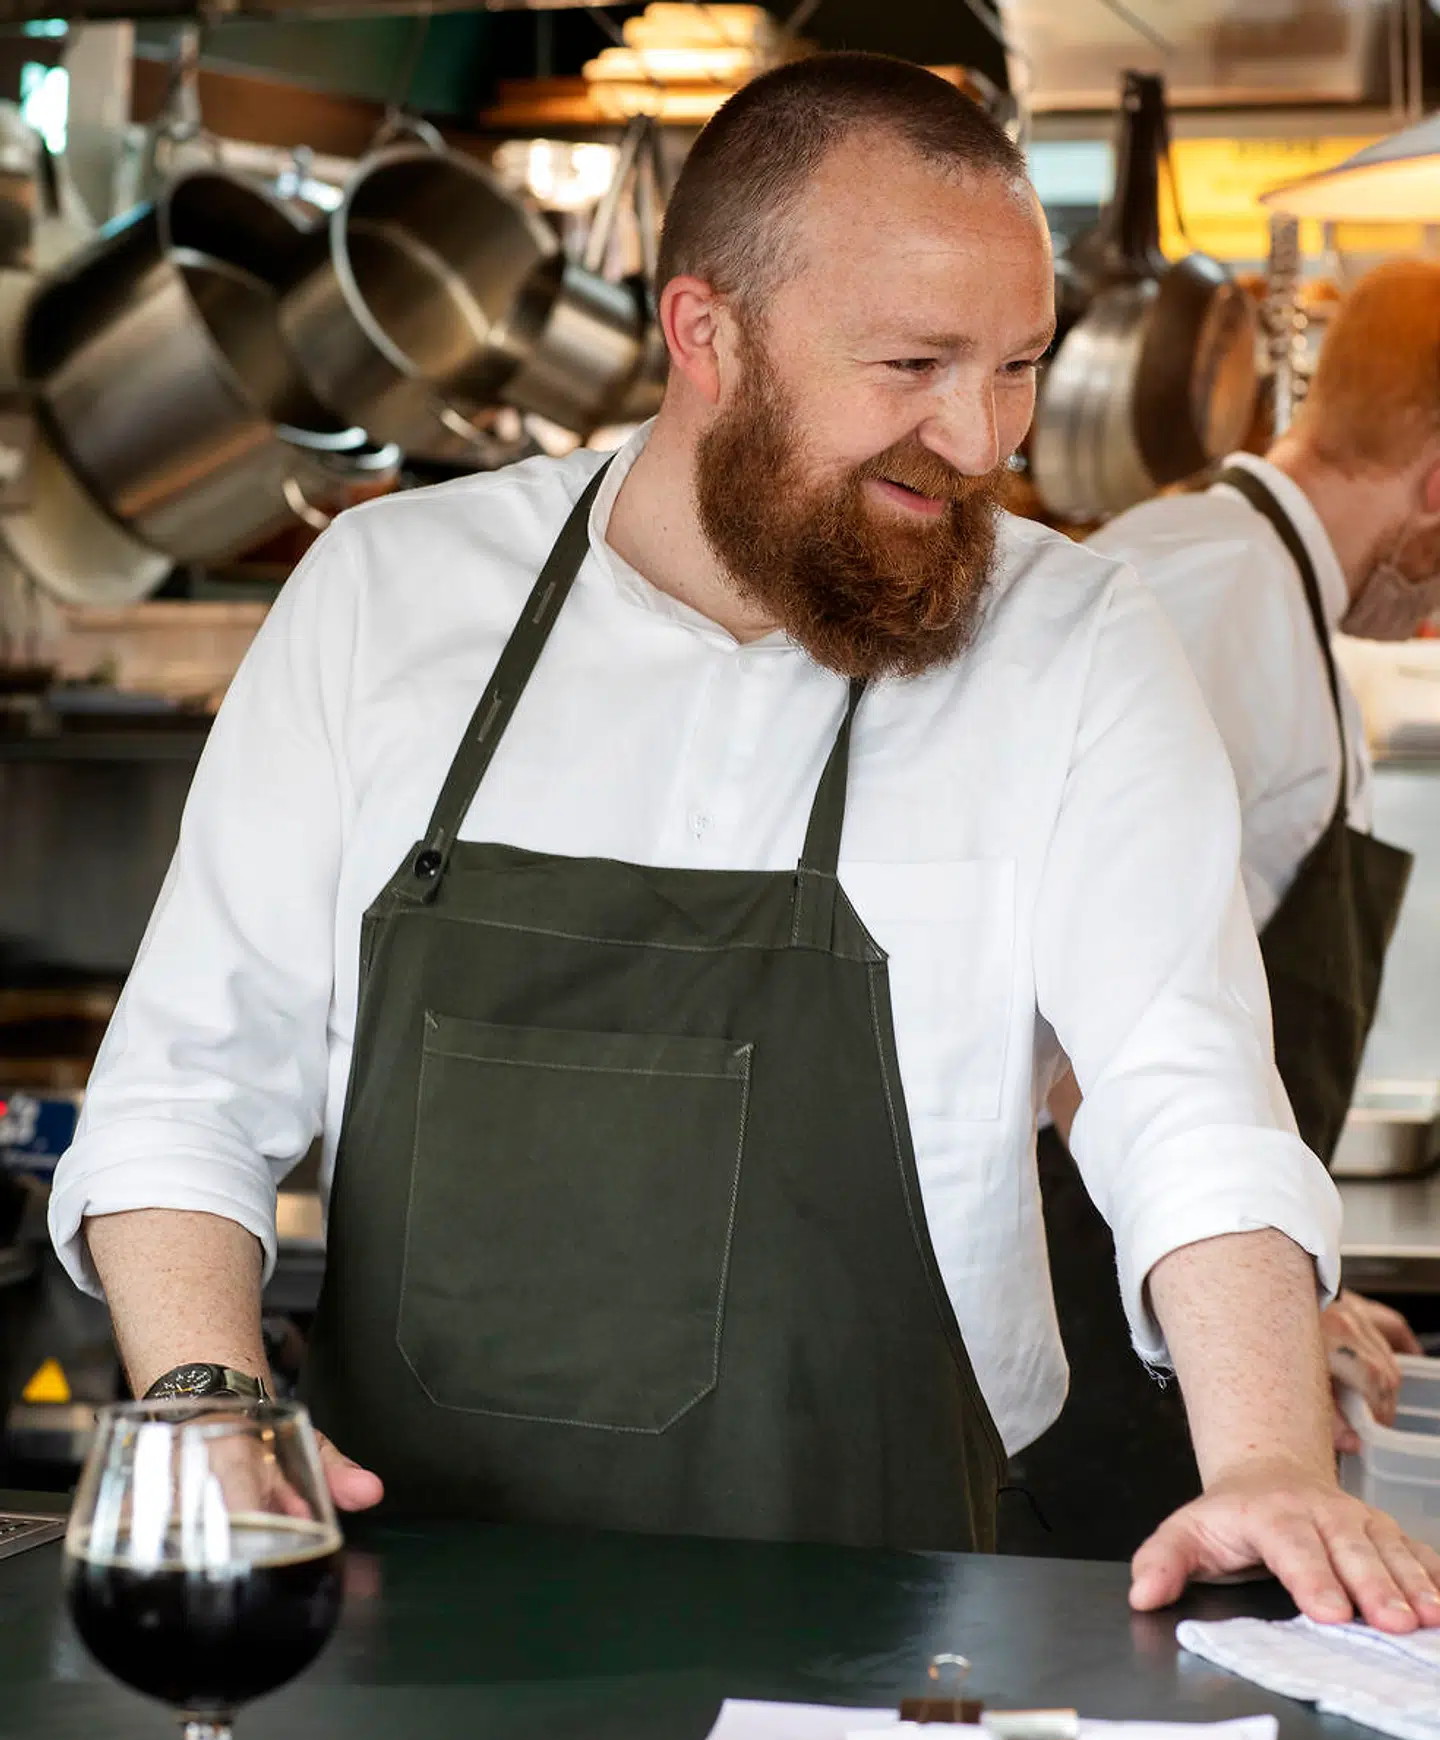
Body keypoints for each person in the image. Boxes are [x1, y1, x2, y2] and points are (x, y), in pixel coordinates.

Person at [47, 55, 1440, 1629]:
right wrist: (209, 1403)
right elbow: (185, 1087)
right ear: (704, 334)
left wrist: (1264, 1457)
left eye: (1018, 367)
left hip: (895, 1613)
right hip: (401, 1614)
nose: (980, 440)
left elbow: (1187, 1093)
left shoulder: (1074, 639)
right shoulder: (385, 599)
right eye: (912, 363)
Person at [1017, 258, 1440, 1559]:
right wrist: (1248, 1321)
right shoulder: (1203, 594)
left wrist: (1287, 1280)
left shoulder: (1270, 594)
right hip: (1100, 1325)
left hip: (1161, 1326)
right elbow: (1083, 1022)